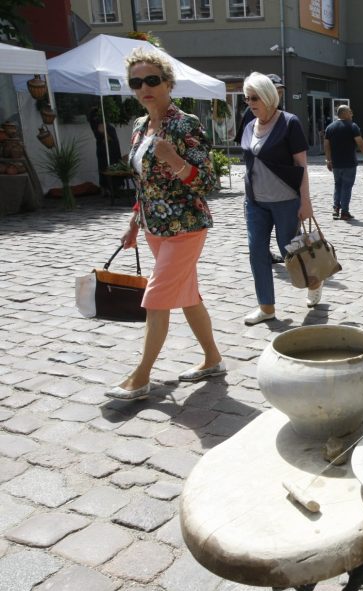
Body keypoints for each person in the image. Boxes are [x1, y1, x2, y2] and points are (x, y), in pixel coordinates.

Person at [106, 48, 224, 401]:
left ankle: (141, 376)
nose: (145, 87)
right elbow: (144, 182)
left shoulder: (184, 124)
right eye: (136, 82)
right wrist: (133, 222)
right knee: (187, 296)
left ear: (168, 84)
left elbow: (206, 181)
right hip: (154, 227)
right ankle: (213, 358)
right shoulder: (141, 127)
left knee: (156, 298)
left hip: (186, 226)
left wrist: (173, 158)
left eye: (152, 80)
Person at [240, 72, 318, 325]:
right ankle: (266, 307)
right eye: (247, 98)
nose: (250, 103)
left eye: (254, 98)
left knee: (292, 251)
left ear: (267, 96)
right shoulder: (250, 124)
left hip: (285, 201)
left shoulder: (289, 122)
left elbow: (301, 165)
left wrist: (305, 202)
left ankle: (315, 281)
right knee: (257, 251)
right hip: (255, 202)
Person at [235, 73, 287, 264]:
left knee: (288, 236)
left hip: (283, 189)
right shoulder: (253, 113)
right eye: (276, 90)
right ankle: (266, 254)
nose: (279, 93)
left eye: (281, 90)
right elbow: (244, 142)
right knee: (259, 236)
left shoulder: (283, 115)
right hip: (258, 188)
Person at [324, 105, 363, 220]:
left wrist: (328, 160)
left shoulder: (330, 127)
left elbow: (326, 145)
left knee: (337, 185)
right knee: (347, 187)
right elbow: (360, 143)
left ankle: (336, 209)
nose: (352, 114)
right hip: (349, 163)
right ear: (344, 113)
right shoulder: (353, 126)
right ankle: (344, 212)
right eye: (350, 112)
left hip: (336, 163)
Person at [89, 109, 122, 193]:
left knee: (111, 166)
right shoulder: (97, 125)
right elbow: (104, 138)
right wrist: (104, 133)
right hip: (106, 151)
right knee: (106, 168)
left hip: (112, 150)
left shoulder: (105, 125)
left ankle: (113, 188)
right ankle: (108, 188)